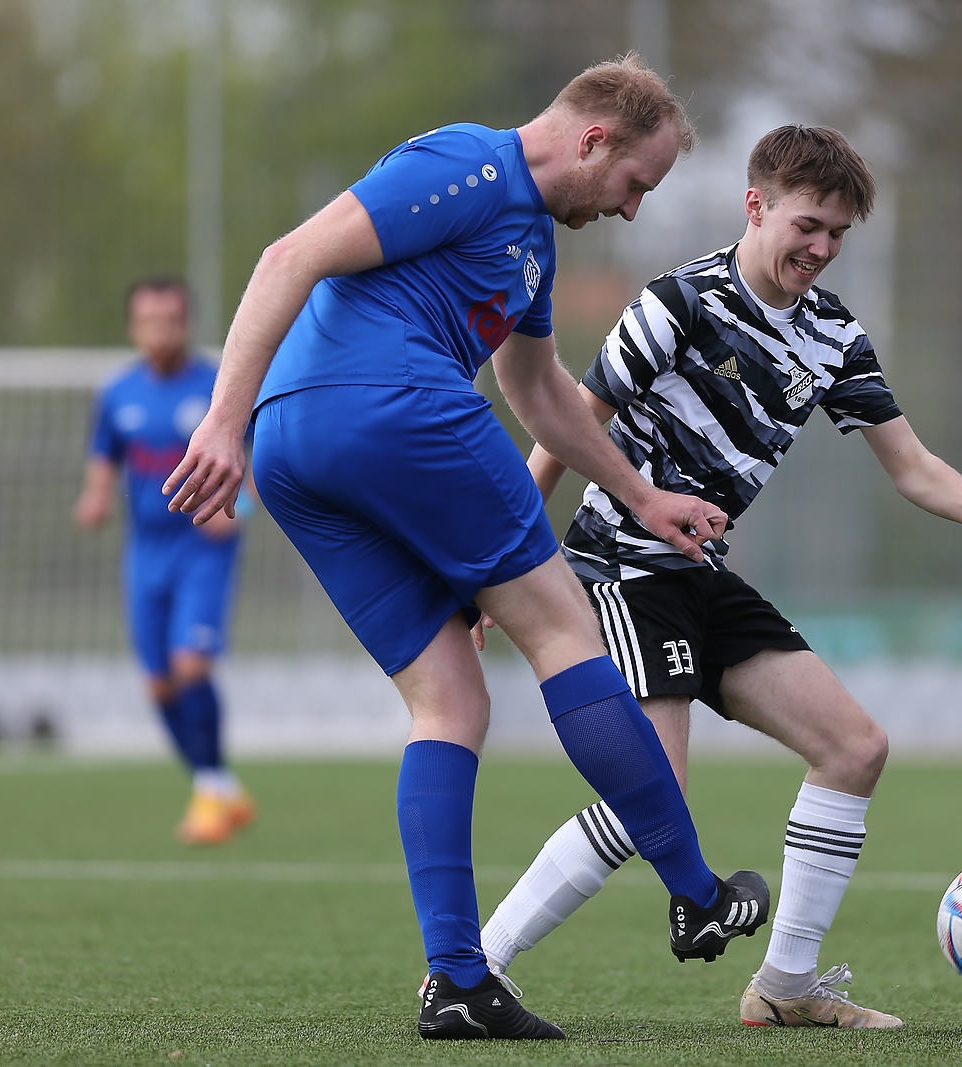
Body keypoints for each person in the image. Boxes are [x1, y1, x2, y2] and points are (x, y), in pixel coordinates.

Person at [159, 56, 770, 1042]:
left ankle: (456, 978)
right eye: (634, 184)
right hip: (382, 410)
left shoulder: (529, 240)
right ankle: (695, 888)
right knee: (567, 629)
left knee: (448, 698)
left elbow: (539, 396)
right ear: (593, 139)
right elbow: (288, 257)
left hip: (302, 450)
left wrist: (642, 494)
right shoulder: (466, 165)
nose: (628, 209)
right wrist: (219, 420)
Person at [476, 125, 962, 1029]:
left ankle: (784, 985)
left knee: (855, 748)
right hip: (623, 567)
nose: (819, 249)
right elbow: (563, 428)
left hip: (703, 573)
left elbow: (909, 463)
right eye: (808, 225)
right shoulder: (678, 301)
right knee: (650, 797)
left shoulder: (833, 334)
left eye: (838, 236)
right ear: (757, 206)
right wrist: (506, 564)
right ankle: (477, 966)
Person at [74, 276, 255, 846]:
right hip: (144, 552)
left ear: (188, 323)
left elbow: (256, 455)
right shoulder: (118, 393)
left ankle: (209, 790)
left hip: (201, 546)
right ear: (134, 327)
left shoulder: (217, 389)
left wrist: (240, 506)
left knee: (190, 666)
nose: (161, 331)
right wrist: (96, 495)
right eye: (149, 321)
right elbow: (105, 454)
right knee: (158, 686)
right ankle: (220, 787)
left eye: (171, 320)